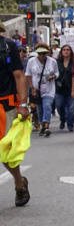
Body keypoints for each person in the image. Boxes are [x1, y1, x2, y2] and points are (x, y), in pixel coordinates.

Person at [0, 23, 31, 206]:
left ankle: (19, 182)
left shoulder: (7, 46)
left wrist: (24, 103)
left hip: (6, 106)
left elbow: (19, 76)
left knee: (6, 153)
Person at [25, 43, 58, 138]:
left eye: (44, 53)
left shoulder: (52, 61)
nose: (42, 55)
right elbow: (28, 75)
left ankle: (46, 126)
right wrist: (32, 88)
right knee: (39, 108)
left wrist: (53, 76)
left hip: (49, 88)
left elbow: (57, 73)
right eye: (40, 53)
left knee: (47, 105)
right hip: (37, 89)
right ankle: (41, 124)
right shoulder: (31, 61)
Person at [55, 43, 74, 132]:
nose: (66, 51)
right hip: (59, 89)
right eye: (64, 50)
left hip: (71, 89)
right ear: (61, 52)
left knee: (71, 109)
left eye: (68, 50)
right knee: (59, 107)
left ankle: (70, 124)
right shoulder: (56, 62)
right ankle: (63, 119)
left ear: (71, 52)